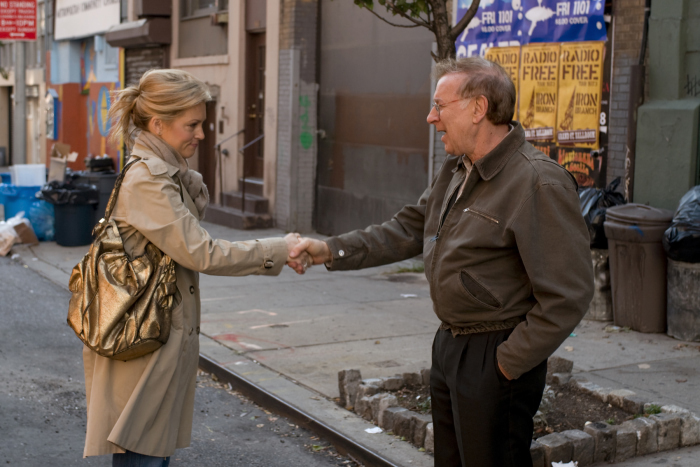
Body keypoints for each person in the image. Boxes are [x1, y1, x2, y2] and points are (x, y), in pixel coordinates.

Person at [290, 57, 594, 466]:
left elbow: (568, 295)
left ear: (478, 108)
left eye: (439, 105)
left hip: (495, 353)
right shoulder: (455, 168)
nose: (430, 117)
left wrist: (506, 363)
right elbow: (407, 229)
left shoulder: (538, 180)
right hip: (450, 345)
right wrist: (328, 249)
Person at [83, 69, 310, 466]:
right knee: (144, 454)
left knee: (150, 452)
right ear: (158, 124)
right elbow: (202, 253)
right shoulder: (149, 182)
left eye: (201, 124)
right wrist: (278, 248)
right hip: (145, 344)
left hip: (154, 340)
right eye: (192, 124)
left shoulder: (165, 176)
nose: (201, 134)